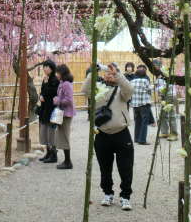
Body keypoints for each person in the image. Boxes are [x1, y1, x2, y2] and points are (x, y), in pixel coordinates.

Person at [82, 62, 134, 211]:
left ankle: (125, 196)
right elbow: (84, 90)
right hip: (102, 134)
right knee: (105, 168)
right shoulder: (98, 88)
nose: (110, 75)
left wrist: (118, 75)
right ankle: (107, 193)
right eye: (108, 73)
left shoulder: (122, 90)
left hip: (121, 133)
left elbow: (130, 89)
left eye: (113, 73)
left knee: (126, 167)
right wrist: (93, 71)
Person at [53, 64, 76, 169]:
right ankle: (66, 160)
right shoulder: (62, 83)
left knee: (65, 136)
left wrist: (58, 101)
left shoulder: (66, 84)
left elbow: (69, 100)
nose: (56, 74)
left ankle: (68, 162)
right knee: (62, 136)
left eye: (58, 72)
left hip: (66, 113)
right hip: (62, 112)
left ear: (62, 73)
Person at [38, 59, 60, 162]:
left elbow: (52, 93)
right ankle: (48, 153)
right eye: (44, 67)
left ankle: (53, 155)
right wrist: (41, 96)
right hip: (44, 109)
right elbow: (43, 91)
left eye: (47, 67)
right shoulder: (45, 79)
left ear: (52, 68)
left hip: (51, 109)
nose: (45, 69)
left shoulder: (55, 80)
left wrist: (46, 85)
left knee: (51, 132)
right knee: (45, 132)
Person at [129, 64, 153, 145]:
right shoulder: (146, 81)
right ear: (144, 74)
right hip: (144, 104)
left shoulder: (131, 81)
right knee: (144, 122)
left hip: (135, 105)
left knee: (138, 122)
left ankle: (136, 138)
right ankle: (142, 140)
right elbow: (150, 89)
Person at [155, 75, 179, 141]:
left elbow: (166, 88)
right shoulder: (159, 77)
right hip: (163, 96)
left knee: (171, 115)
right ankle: (165, 132)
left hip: (170, 95)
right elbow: (156, 86)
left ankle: (174, 134)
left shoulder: (168, 76)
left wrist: (157, 88)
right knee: (162, 115)